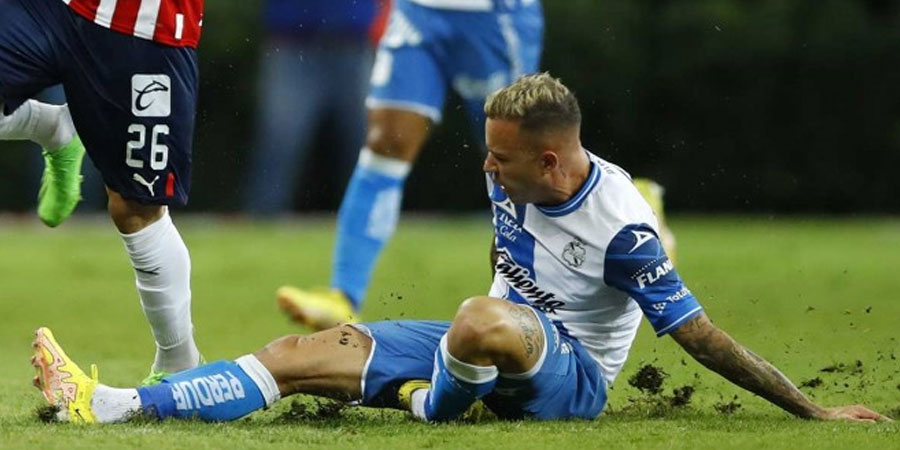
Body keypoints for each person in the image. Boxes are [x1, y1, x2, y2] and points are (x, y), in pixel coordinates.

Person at [32, 74, 889, 424]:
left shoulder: (621, 229)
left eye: (500, 157)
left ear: (550, 161)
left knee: (479, 320)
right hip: (483, 342)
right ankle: (108, 405)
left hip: (570, 378)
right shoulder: (512, 176)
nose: (485, 167)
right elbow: (505, 259)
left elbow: (701, 336)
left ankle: (436, 404)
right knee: (296, 353)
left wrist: (812, 413)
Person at [274, 0, 545, 330]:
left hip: (493, 17)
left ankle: (543, 299)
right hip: (417, 12)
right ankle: (343, 296)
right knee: (386, 142)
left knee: (515, 156)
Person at [2, 0, 206, 384]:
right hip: (53, 8)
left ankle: (180, 367)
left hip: (143, 30)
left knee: (136, 207)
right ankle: (50, 126)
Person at [242, 0, 391, 215]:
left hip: (355, 43)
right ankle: (262, 218)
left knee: (366, 142)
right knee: (279, 143)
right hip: (292, 42)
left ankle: (373, 219)